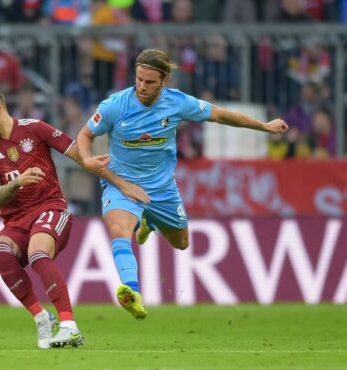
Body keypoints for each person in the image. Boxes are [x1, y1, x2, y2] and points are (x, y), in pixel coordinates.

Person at [76, 48, 289, 320]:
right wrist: (87, 158)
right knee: (119, 229)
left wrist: (264, 126)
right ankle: (132, 292)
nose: (142, 86)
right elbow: (84, 135)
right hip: (122, 185)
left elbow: (220, 115)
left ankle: (149, 222)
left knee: (181, 243)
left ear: (164, 81)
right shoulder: (114, 105)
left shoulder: (177, 103)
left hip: (162, 189)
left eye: (150, 82)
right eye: (138, 79)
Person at [0, 86, 148, 348]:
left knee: (37, 253)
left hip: (50, 208)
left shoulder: (35, 129)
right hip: (16, 221)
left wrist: (119, 183)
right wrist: (18, 182)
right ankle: (42, 318)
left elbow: (81, 157)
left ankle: (69, 326)